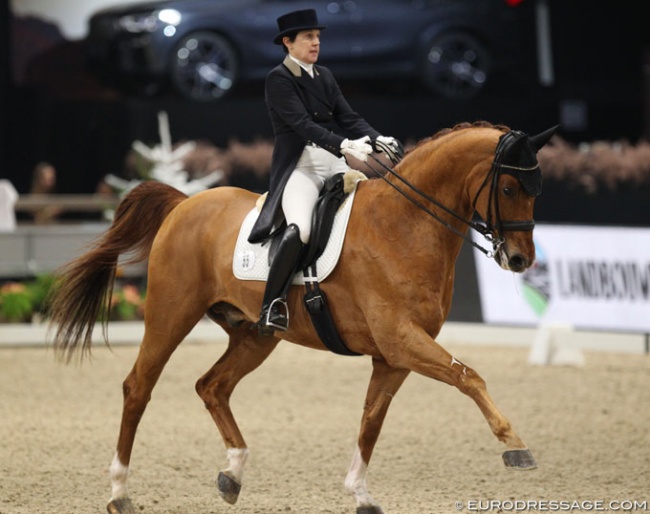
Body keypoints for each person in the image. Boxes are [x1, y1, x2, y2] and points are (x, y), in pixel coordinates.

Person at [248, 8, 400, 335]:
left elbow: (349, 116)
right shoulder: (279, 79)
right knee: (300, 229)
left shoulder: (325, 76)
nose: (316, 43)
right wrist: (345, 145)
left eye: (317, 37)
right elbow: (302, 125)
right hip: (300, 166)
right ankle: (271, 305)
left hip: (333, 163)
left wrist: (376, 137)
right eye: (308, 37)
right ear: (288, 43)